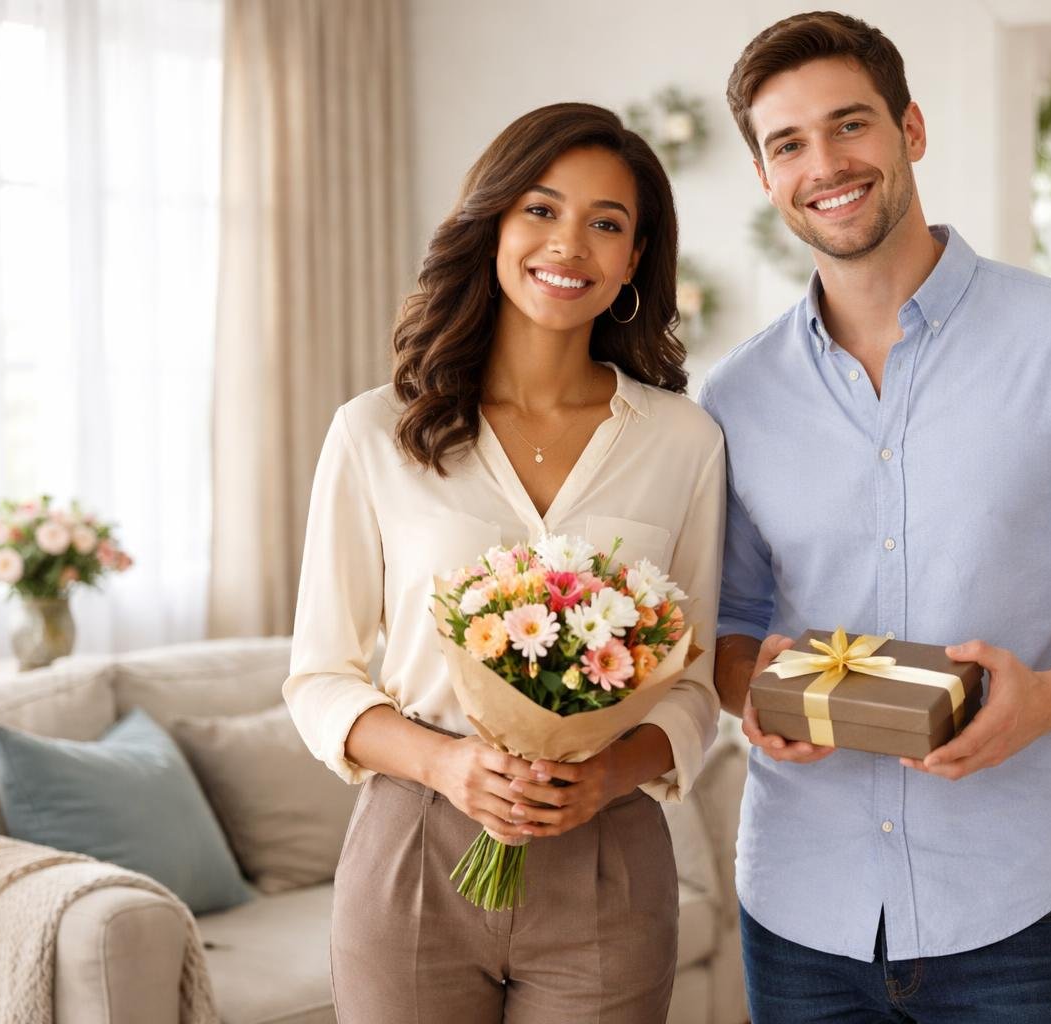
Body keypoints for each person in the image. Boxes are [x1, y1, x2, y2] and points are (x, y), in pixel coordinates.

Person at [700, 13, 1051, 1023]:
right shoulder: (736, 395)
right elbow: (732, 619)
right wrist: (751, 692)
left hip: (1017, 912)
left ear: (911, 130)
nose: (827, 164)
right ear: (766, 176)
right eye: (789, 144)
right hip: (801, 913)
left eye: (851, 125)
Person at [283, 102, 725, 1024]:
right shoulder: (375, 432)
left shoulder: (684, 441)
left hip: (608, 855)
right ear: (492, 222)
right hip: (412, 850)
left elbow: (696, 684)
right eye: (542, 209)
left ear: (634, 260)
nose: (571, 243)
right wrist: (447, 768)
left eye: (608, 223)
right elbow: (319, 678)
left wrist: (604, 774)